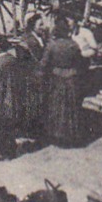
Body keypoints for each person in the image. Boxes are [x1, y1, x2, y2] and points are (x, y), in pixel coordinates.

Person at [0, 35, 37, 160]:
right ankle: (11, 151)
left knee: (0, 126)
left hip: (0, 97)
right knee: (9, 125)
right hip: (13, 96)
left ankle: (3, 153)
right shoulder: (13, 60)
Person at [40, 18, 87, 148]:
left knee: (57, 108)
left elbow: (44, 64)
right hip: (72, 78)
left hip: (57, 79)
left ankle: (58, 136)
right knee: (72, 108)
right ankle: (72, 136)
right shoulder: (74, 45)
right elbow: (81, 62)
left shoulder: (51, 45)